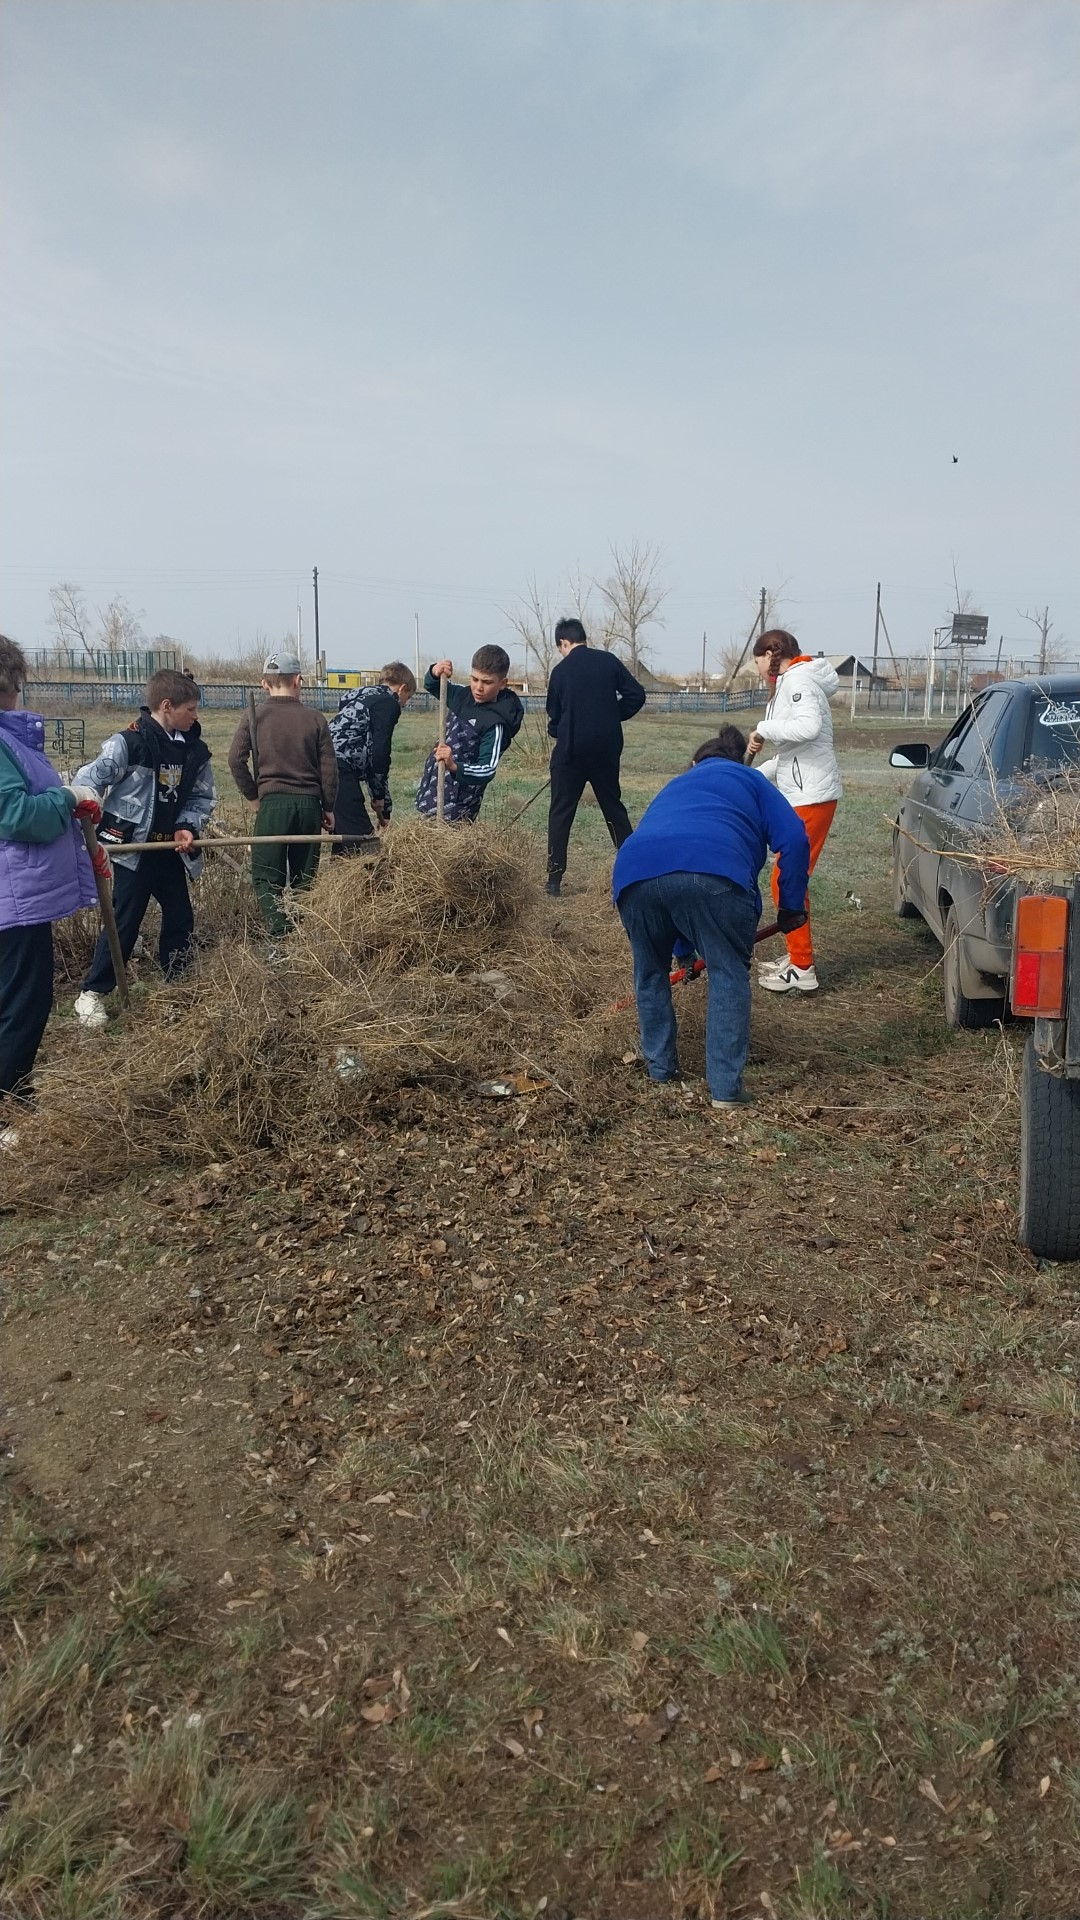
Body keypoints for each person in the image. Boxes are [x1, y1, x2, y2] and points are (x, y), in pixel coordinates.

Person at [612, 726, 810, 1108]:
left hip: (634, 875)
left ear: (694, 763)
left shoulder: (675, 785)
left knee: (650, 974)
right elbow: (795, 839)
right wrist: (790, 906)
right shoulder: (751, 779)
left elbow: (670, 881)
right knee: (727, 973)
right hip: (715, 873)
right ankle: (725, 1090)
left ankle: (660, 1072)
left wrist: (682, 953)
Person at [73, 670, 217, 1028]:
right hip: (132, 850)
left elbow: (201, 798)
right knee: (124, 921)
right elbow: (87, 783)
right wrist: (90, 819)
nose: (196, 716)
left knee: (181, 917)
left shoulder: (195, 752)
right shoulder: (127, 744)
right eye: (190, 709)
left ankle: (178, 983)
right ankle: (92, 993)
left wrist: (187, 826)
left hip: (170, 850)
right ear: (167, 706)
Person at [0, 635, 102, 1140]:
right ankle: (8, 1108)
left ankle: (14, 1096)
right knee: (22, 1002)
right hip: (12, 901)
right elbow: (18, 815)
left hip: (14, 895)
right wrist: (65, 796)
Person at [746, 629, 841, 995]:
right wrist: (752, 776)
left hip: (812, 796)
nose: (757, 668)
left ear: (771, 654)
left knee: (787, 880)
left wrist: (763, 728)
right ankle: (797, 956)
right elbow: (790, 755)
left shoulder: (798, 680)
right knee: (788, 879)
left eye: (757, 660)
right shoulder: (792, 681)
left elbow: (808, 727)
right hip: (804, 791)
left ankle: (802, 967)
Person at [228, 649, 338, 934]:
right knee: (305, 879)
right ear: (298, 680)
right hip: (309, 806)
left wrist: (253, 797)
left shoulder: (255, 716)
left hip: (272, 805)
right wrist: (328, 807)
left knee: (266, 876)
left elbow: (235, 760)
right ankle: (302, 936)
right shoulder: (315, 719)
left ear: (264, 684)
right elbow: (329, 769)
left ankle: (281, 935)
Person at [544, 617, 646, 896]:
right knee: (613, 808)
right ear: (583, 638)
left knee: (561, 812)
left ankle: (553, 881)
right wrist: (612, 715)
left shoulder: (560, 671)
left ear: (563, 643)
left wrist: (560, 729)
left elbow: (554, 715)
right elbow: (636, 695)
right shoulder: (608, 661)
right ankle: (635, 869)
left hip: (570, 752)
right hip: (606, 750)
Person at [415, 646, 523, 822]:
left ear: (502, 683)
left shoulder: (495, 724)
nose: (478, 687)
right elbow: (433, 685)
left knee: (448, 838)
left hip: (460, 803)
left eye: (487, 682)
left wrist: (454, 766)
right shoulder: (462, 696)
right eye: (474, 679)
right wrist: (435, 671)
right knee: (426, 832)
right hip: (435, 788)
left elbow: (487, 769)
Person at [328, 662, 417, 853]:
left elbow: (368, 753)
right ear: (402, 689)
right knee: (363, 839)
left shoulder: (361, 698)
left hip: (322, 763)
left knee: (345, 831)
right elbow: (379, 754)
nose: (404, 704)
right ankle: (367, 870)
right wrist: (379, 796)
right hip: (338, 768)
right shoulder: (388, 703)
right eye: (408, 698)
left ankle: (340, 868)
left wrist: (382, 803)